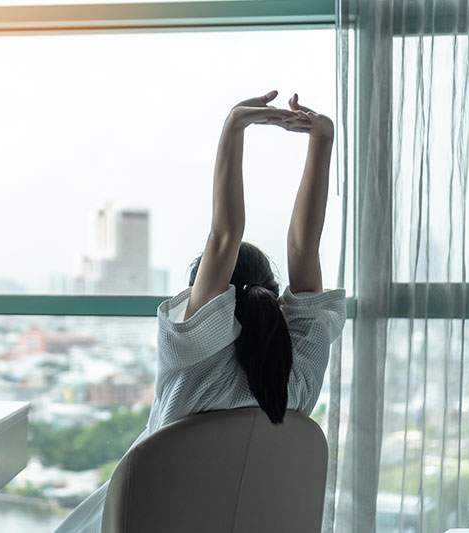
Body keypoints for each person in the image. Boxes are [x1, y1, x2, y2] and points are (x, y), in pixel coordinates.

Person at [54, 91, 347, 533]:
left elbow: (224, 235)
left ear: (202, 298)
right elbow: (304, 248)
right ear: (271, 295)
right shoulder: (297, 376)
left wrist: (233, 126)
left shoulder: (194, 362)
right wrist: (322, 140)